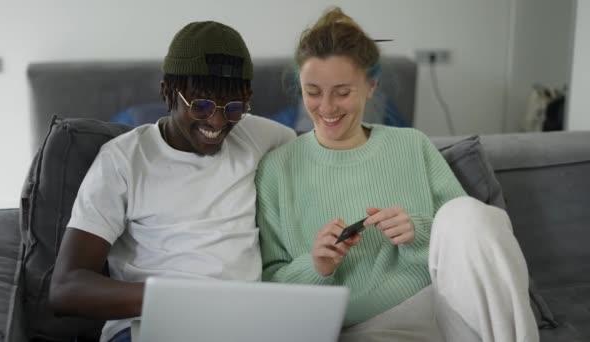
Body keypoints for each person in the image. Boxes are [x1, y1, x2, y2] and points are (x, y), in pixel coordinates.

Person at [256, 7, 539, 342]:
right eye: (313, 92)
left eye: (343, 92)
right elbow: (268, 283)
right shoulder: (277, 168)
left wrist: (417, 230)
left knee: (470, 214)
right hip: (361, 326)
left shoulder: (411, 144)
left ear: (371, 85)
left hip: (445, 303)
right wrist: (317, 266)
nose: (327, 107)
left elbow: (469, 241)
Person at [49, 21, 296, 342]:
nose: (218, 122)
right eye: (202, 105)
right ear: (167, 93)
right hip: (147, 327)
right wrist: (176, 297)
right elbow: (66, 287)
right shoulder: (123, 160)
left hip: (242, 327)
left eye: (233, 108)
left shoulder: (268, 138)